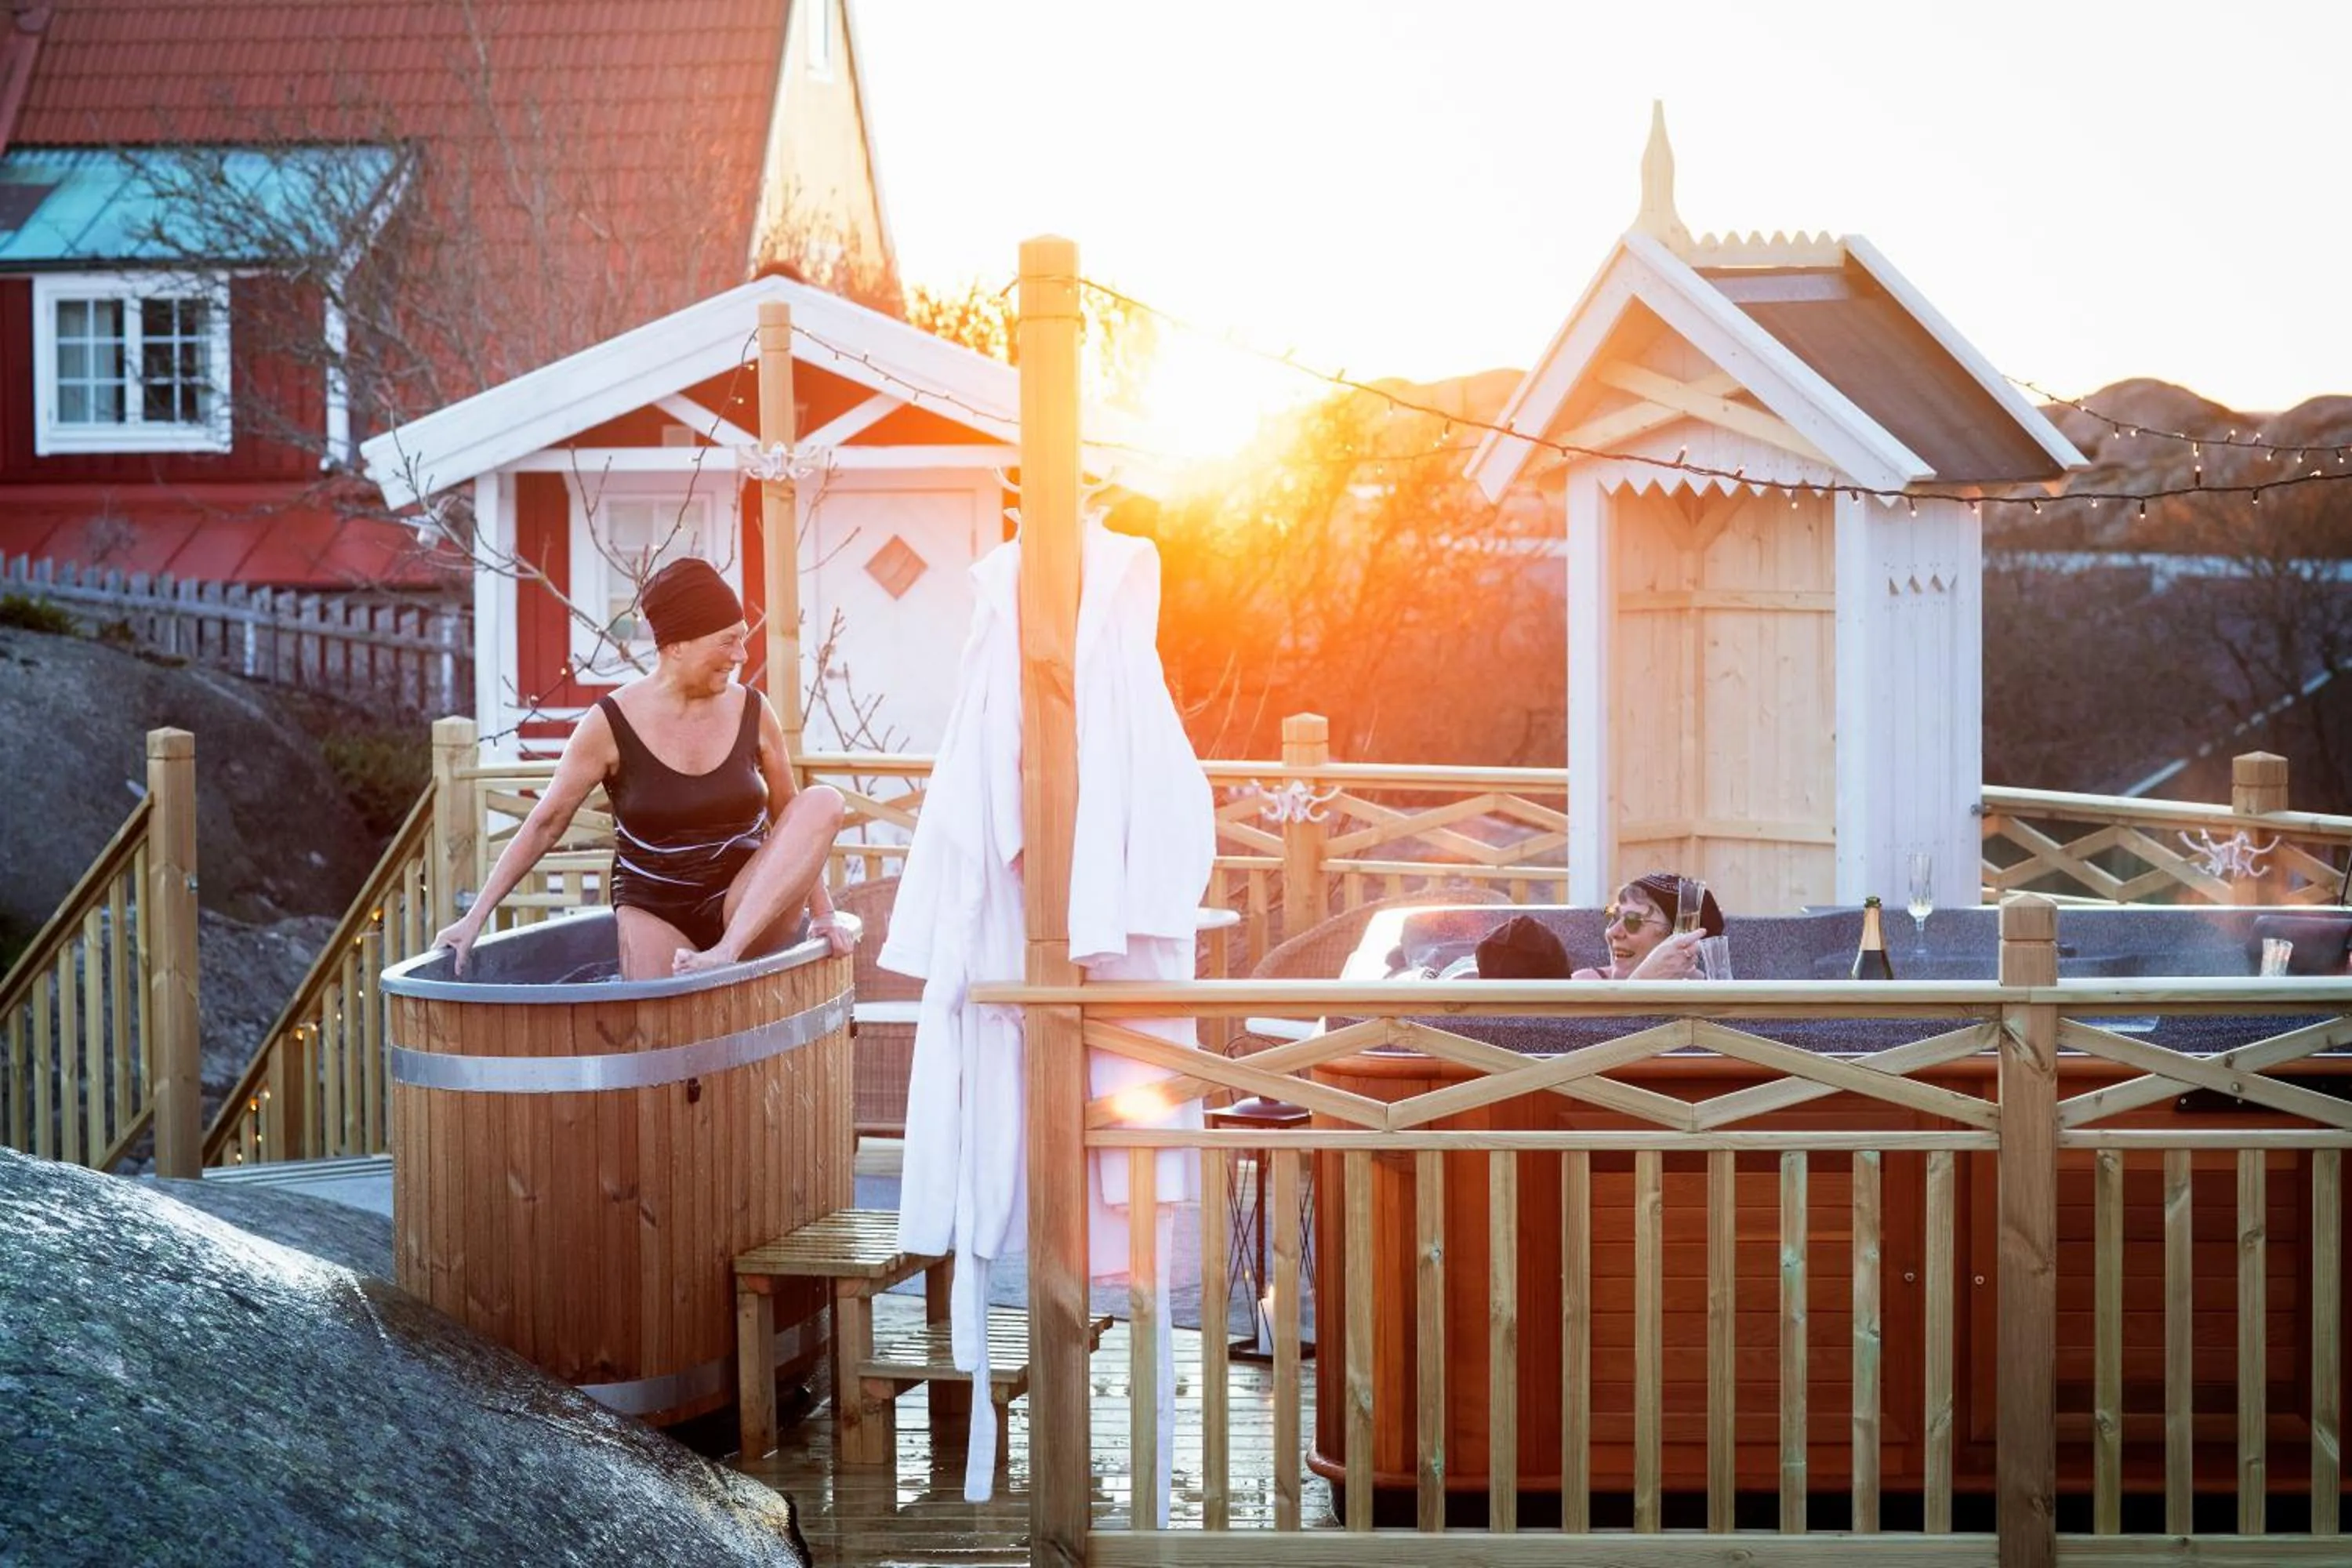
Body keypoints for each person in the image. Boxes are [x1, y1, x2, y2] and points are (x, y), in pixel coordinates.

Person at [431, 557, 851, 980]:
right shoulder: (609, 723)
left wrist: (824, 913)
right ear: (677, 645)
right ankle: (716, 957)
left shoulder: (754, 711)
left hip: (744, 901)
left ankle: (727, 951)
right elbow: (546, 822)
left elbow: (792, 816)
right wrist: (474, 919)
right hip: (655, 906)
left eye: (742, 639)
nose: (740, 655)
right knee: (658, 1027)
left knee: (823, 802)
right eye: (727, 641)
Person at [1571, 869, 1723, 980]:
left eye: (1633, 921)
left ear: (1681, 939)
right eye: (1614, 917)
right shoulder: (1584, 986)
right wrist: (1642, 982)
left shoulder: (1710, 997)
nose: (1613, 932)